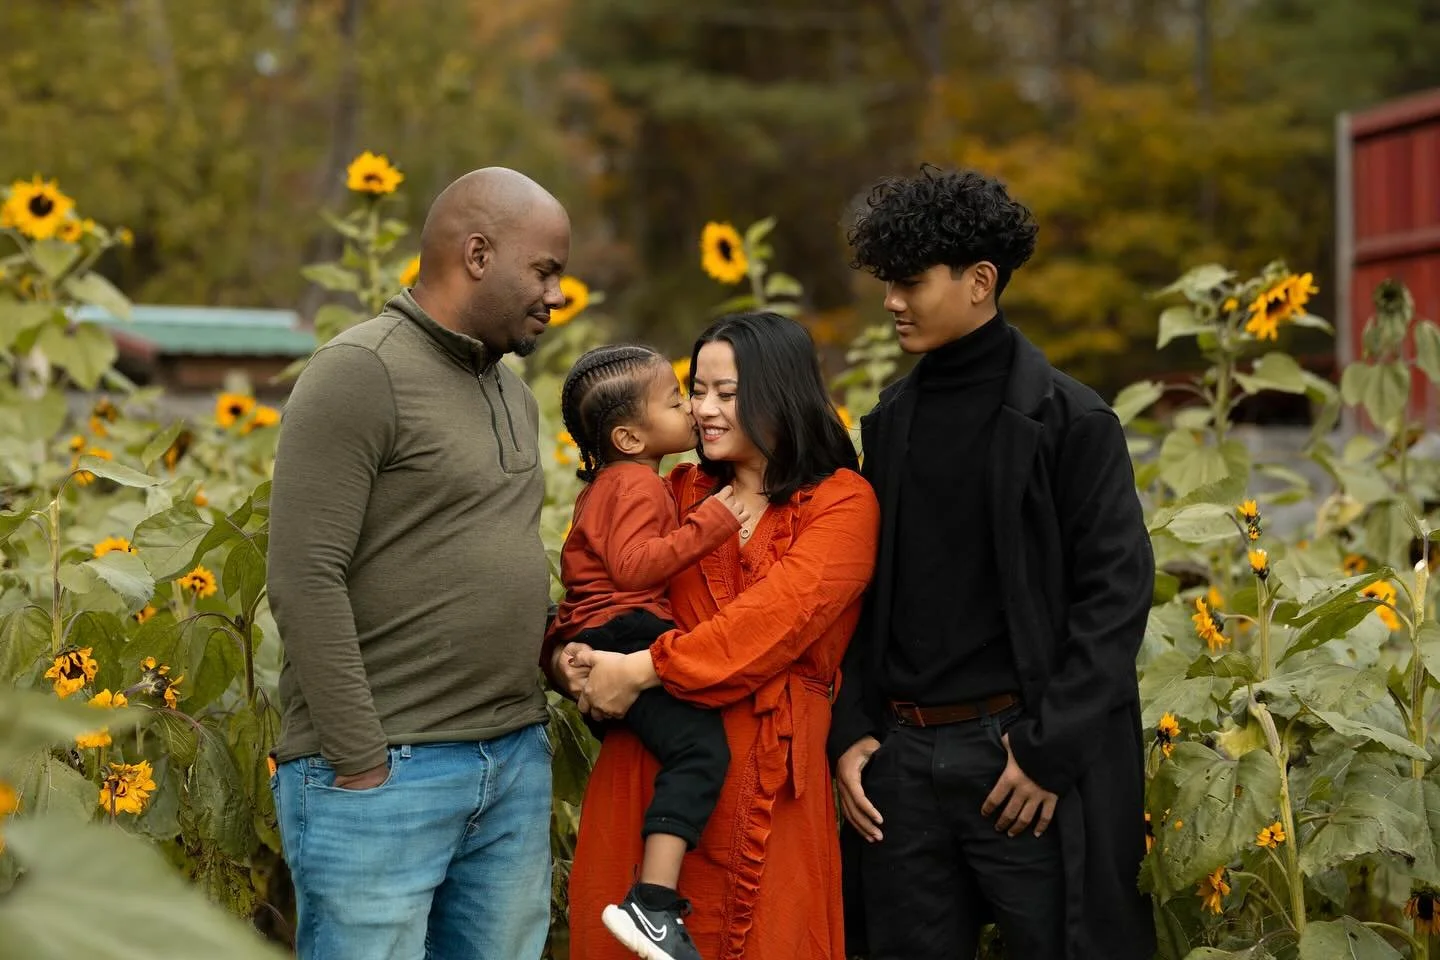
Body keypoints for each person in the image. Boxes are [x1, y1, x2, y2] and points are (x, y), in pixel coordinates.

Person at [828, 164, 1156, 959]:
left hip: (1022, 767)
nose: (891, 301)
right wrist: (853, 730)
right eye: (886, 281)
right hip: (902, 771)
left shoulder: (1073, 422)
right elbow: (865, 595)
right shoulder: (891, 421)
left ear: (980, 281)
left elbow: (1116, 597)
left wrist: (1046, 752)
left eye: (909, 282)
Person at [267, 167, 570, 960]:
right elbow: (303, 575)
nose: (557, 294)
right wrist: (363, 762)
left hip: (508, 762)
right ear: (477, 254)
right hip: (387, 776)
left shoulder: (513, 393)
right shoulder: (360, 371)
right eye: (545, 270)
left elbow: (484, 552)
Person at [550, 311, 880, 960]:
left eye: (725, 394)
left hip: (774, 784)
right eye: (694, 390)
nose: (702, 409)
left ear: (780, 392)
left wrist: (640, 669)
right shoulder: (670, 490)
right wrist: (571, 663)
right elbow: (586, 589)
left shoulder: (841, 502)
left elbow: (772, 626)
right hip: (655, 778)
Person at [549, 343, 753, 960]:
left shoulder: (612, 484)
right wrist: (713, 522)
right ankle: (653, 901)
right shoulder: (637, 484)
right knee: (699, 751)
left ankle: (653, 897)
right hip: (624, 632)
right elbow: (635, 568)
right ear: (630, 438)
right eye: (675, 400)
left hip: (602, 634)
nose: (692, 410)